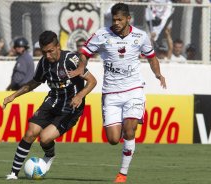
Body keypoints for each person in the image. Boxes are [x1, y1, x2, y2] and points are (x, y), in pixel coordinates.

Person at [68, 3, 166, 183]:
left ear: (128, 19)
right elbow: (85, 53)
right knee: (113, 139)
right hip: (111, 93)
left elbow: (152, 57)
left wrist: (158, 73)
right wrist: (81, 68)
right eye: (114, 19)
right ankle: (124, 138)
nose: (116, 23)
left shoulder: (140, 36)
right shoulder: (102, 35)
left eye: (120, 19)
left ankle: (122, 174)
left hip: (134, 89)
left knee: (129, 130)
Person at [4, 30, 97, 180]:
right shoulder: (43, 62)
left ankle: (49, 155)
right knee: (30, 132)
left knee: (45, 138)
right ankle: (13, 173)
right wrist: (13, 96)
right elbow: (34, 83)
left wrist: (80, 96)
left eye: (50, 51)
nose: (47, 55)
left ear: (58, 47)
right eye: (44, 52)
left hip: (71, 107)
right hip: (52, 101)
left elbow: (92, 81)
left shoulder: (71, 60)